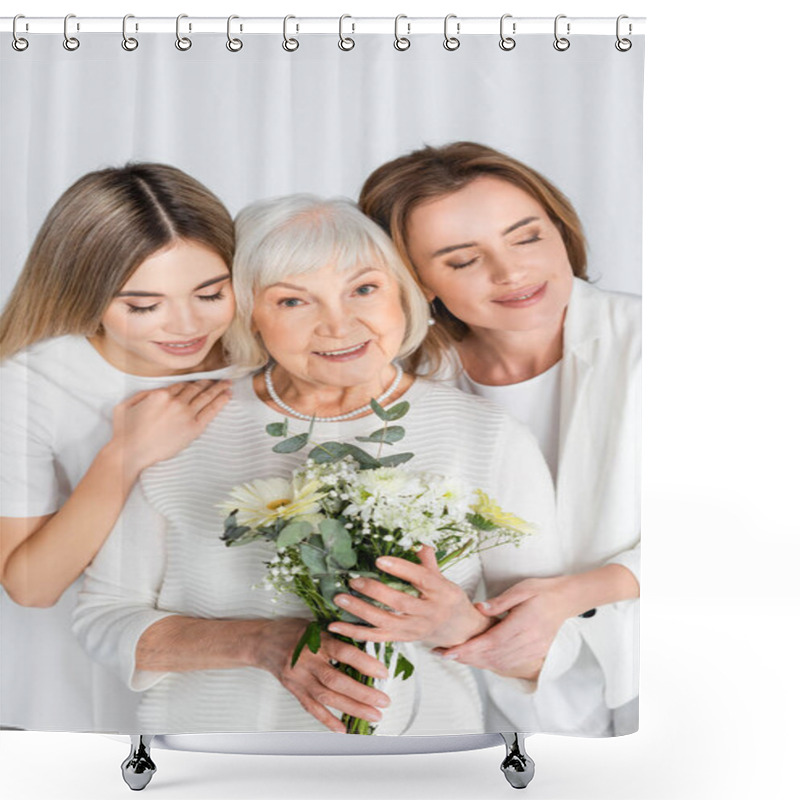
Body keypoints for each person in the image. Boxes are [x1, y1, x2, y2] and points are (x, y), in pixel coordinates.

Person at [73, 196, 563, 735]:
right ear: (248, 316)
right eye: (292, 302)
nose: (339, 323)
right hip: (217, 763)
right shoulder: (178, 426)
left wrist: (455, 624)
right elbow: (104, 621)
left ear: (402, 295)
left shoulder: (488, 436)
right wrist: (263, 644)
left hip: (417, 766)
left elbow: (548, 657)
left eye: (364, 289)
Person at [359, 141, 641, 736]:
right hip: (488, 695)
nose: (511, 272)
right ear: (416, 282)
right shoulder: (401, 392)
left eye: (527, 237)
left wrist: (579, 593)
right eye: (463, 260)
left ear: (560, 230)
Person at [0, 163, 236, 731]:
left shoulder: (265, 352)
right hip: (76, 678)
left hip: (231, 671)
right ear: (87, 294)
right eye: (143, 305)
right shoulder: (31, 384)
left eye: (210, 293)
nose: (185, 325)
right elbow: (30, 586)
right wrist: (122, 457)